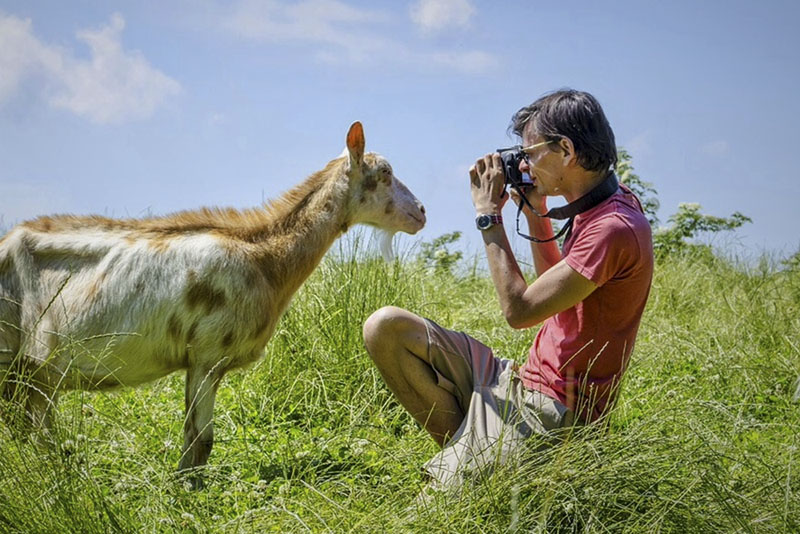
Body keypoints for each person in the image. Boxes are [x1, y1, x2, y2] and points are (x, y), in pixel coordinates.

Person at [362, 89, 654, 489]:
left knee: (432, 514)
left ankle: (474, 470)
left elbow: (520, 311)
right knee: (385, 327)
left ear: (566, 150)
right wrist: (535, 213)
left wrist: (488, 216)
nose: (526, 164)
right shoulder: (602, 208)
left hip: (552, 411)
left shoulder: (613, 228)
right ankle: (476, 455)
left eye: (531, 153)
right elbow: (557, 296)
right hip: (517, 380)